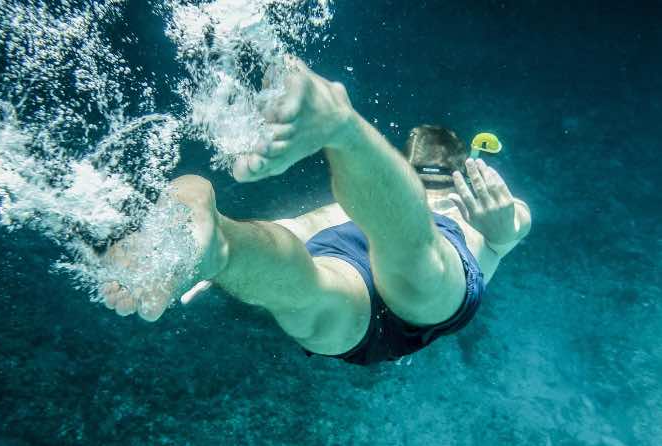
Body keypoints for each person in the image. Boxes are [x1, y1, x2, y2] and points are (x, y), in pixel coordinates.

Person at [100, 57, 531, 366]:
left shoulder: (378, 198)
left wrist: (206, 256)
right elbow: (510, 226)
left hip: (350, 250)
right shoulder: (475, 205)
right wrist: (501, 224)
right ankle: (343, 130)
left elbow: (303, 226)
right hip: (410, 269)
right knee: (417, 264)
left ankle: (223, 245)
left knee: (304, 288)